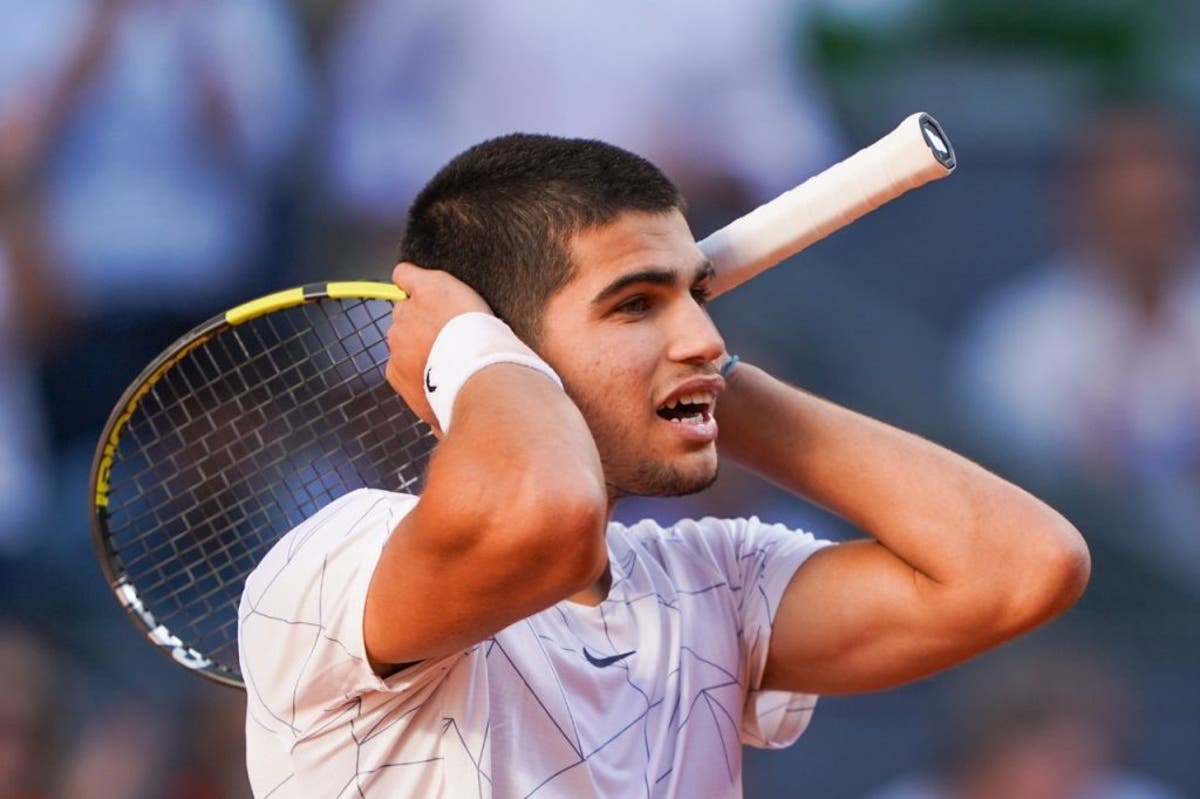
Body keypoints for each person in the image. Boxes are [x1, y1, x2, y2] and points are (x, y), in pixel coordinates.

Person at [238, 134, 1090, 797]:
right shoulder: (339, 560)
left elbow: (1023, 566)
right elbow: (547, 515)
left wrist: (713, 387)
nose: (706, 336)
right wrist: (467, 347)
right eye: (636, 303)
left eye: (697, 295)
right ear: (501, 345)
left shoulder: (706, 580)